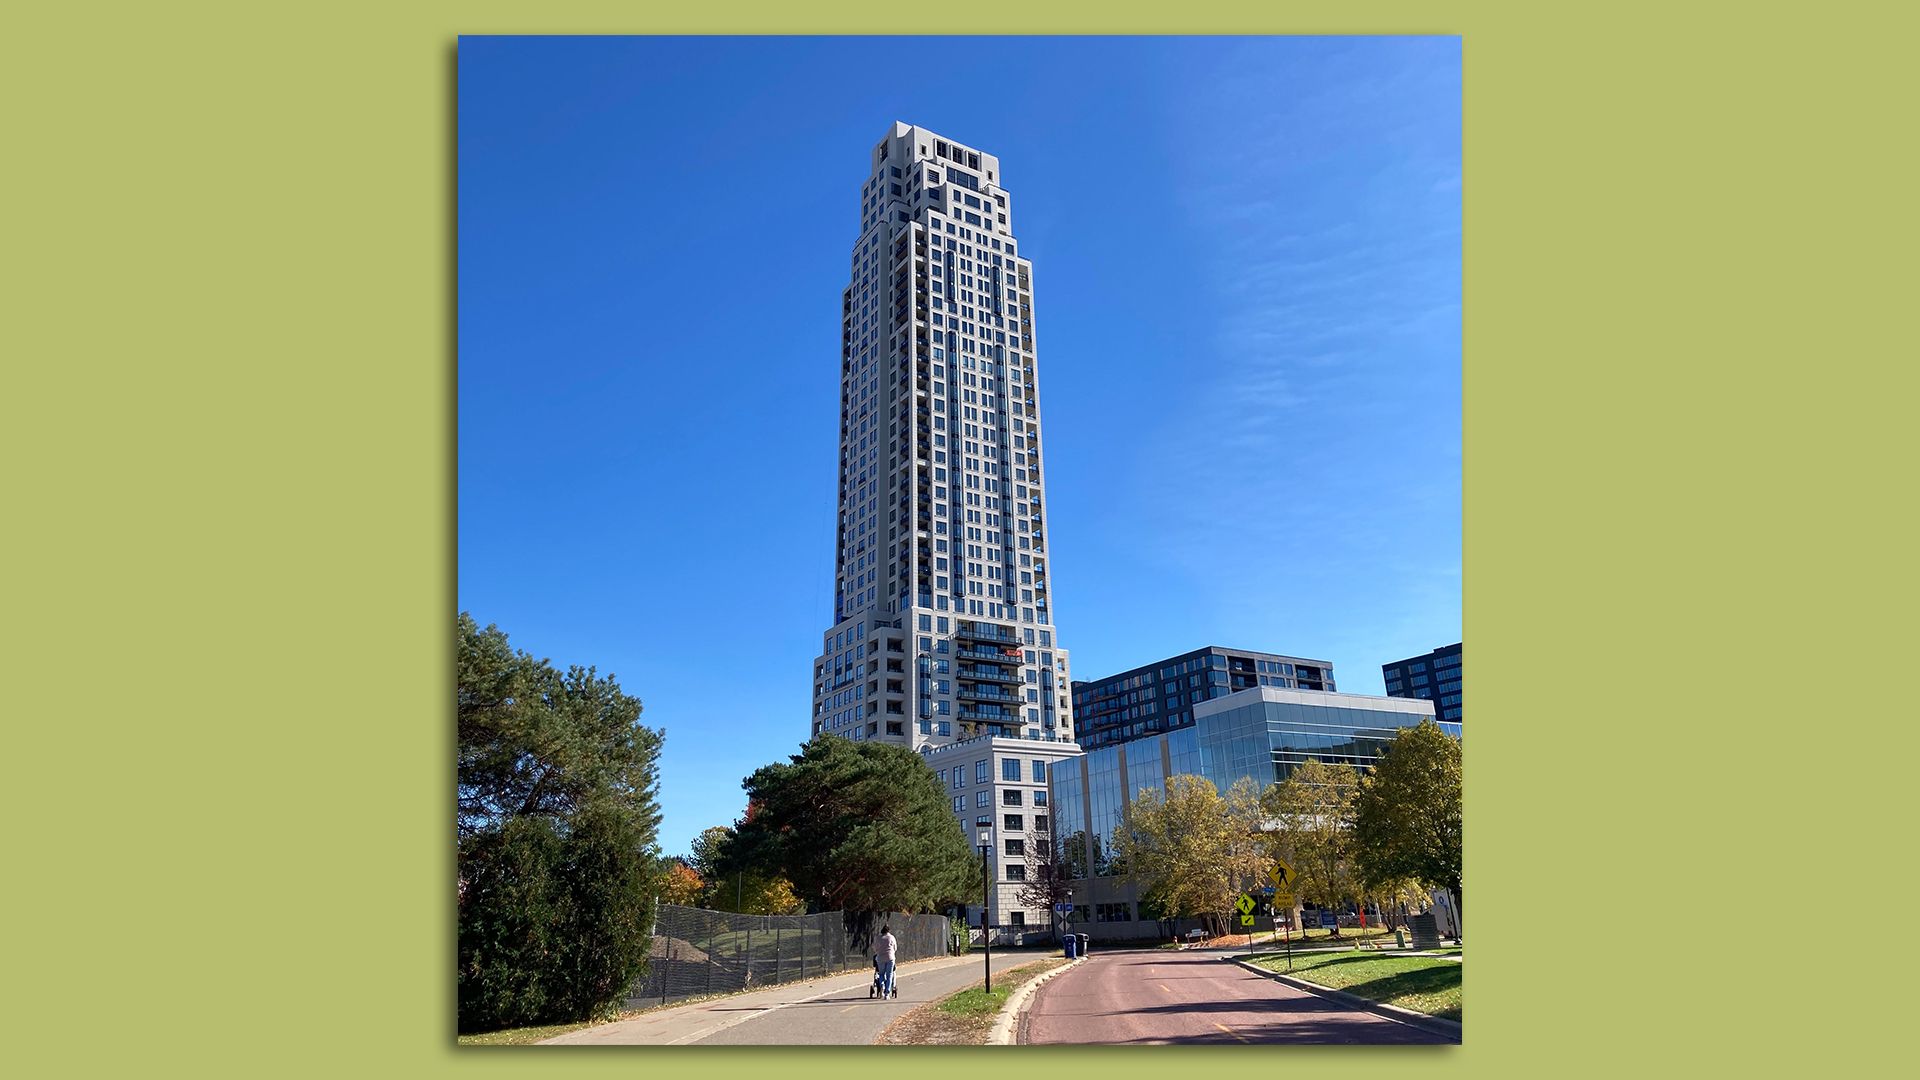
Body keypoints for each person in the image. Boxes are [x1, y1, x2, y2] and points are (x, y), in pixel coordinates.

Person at [875, 924, 898, 1000]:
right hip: (890, 958)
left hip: (880, 958)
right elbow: (895, 948)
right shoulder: (891, 937)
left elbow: (875, 948)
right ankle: (887, 993)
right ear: (889, 930)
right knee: (889, 975)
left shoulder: (878, 938)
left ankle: (882, 985)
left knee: (881, 974)